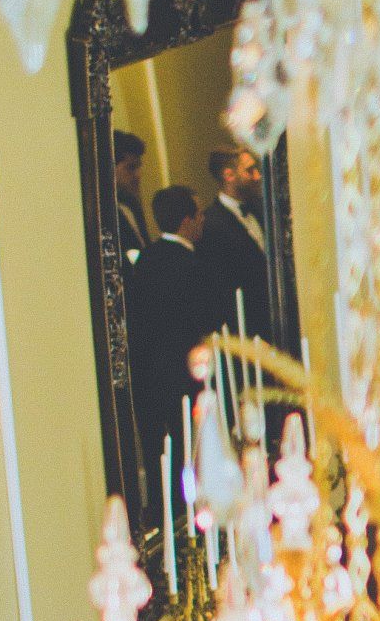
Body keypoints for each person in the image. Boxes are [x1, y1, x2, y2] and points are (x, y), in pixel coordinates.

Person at [126, 186, 220, 491]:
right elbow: (205, 320)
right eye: (199, 213)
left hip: (149, 374)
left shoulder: (146, 260)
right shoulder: (193, 265)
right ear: (186, 221)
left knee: (161, 455)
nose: (204, 219)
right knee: (191, 448)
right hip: (185, 372)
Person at [198, 143, 270, 349]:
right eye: (249, 170)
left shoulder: (262, 209)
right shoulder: (211, 224)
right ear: (229, 175)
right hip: (247, 330)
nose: (257, 176)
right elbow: (221, 287)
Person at [112, 130, 153, 258]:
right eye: (130, 167)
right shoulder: (102, 211)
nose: (138, 175)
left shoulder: (131, 202)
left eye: (138, 167)